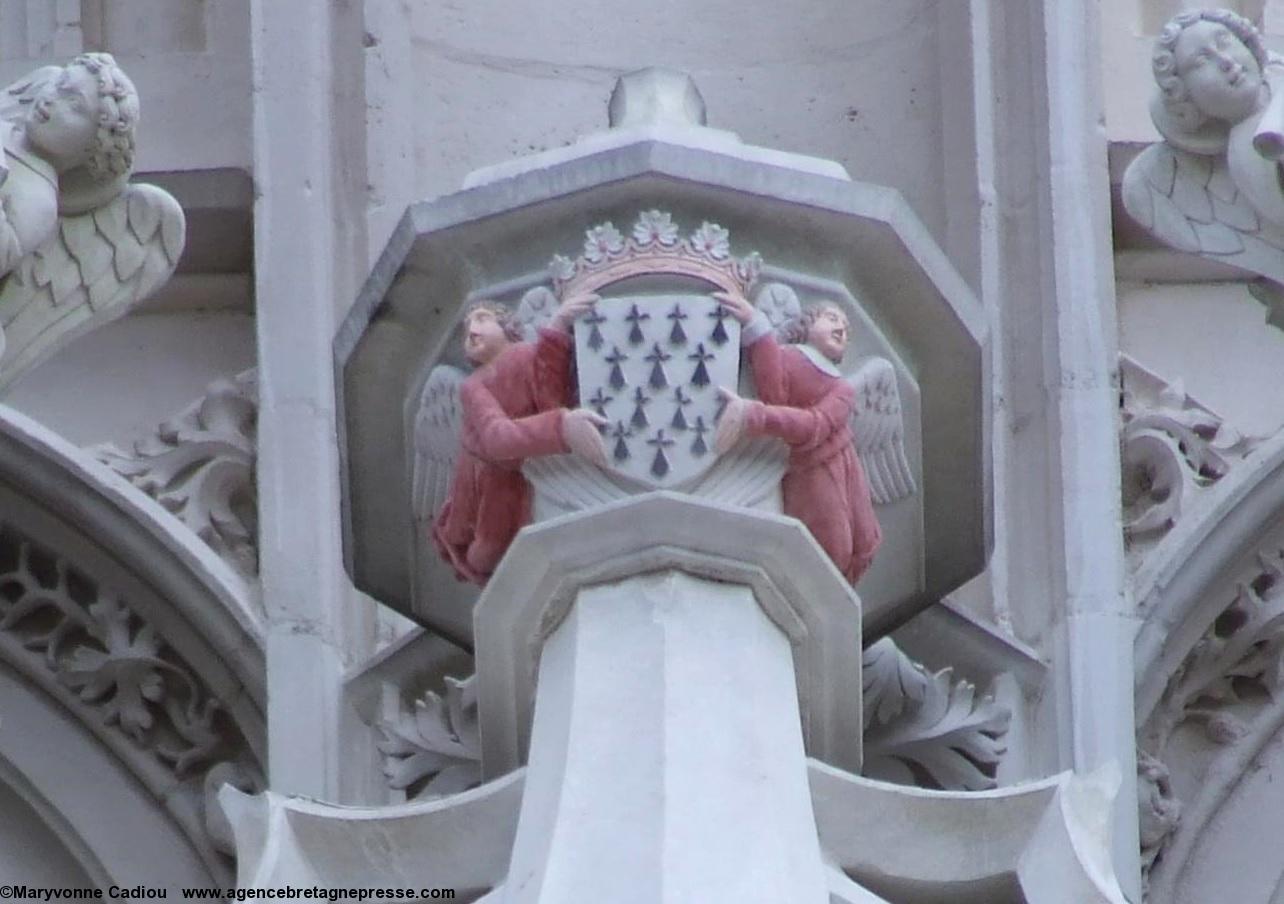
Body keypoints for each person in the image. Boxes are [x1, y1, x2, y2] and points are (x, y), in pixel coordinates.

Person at [432, 293, 605, 583]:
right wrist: (560, 427)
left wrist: (557, 328)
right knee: (486, 553)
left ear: (508, 326)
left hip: (528, 471)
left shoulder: (525, 355)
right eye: (467, 328)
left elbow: (550, 400)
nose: (472, 331)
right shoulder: (473, 385)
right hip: (488, 481)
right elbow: (496, 438)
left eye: (482, 319)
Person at [713, 290, 881, 584]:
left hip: (833, 465)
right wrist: (757, 326)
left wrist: (754, 415)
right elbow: (774, 394)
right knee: (822, 546)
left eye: (846, 328)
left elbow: (814, 427)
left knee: (848, 543)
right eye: (832, 319)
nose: (842, 329)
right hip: (802, 468)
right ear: (807, 322)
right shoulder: (789, 357)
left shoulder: (842, 388)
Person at [0, 53, 138, 277]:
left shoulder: (36, 198)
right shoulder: (6, 124)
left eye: (74, 104)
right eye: (59, 85)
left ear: (93, 146)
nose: (51, 99)